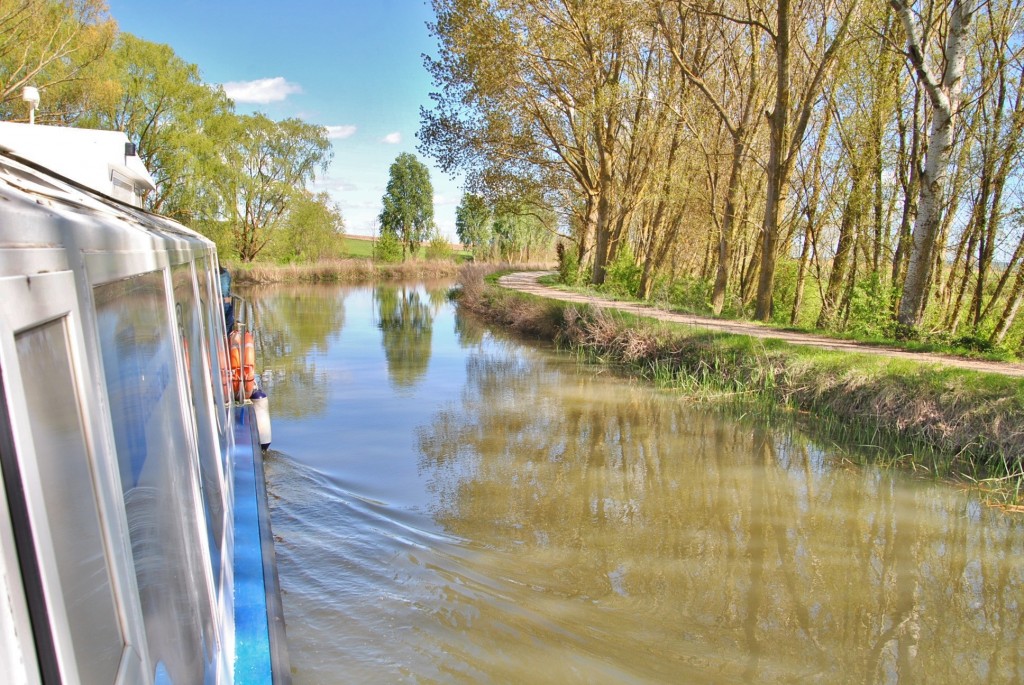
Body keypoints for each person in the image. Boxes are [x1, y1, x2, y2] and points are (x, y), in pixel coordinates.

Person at [220, 266, 234, 332]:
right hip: (224, 302)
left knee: (229, 322)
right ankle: (227, 337)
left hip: (223, 302)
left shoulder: (224, 274)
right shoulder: (225, 273)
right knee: (229, 322)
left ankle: (226, 336)